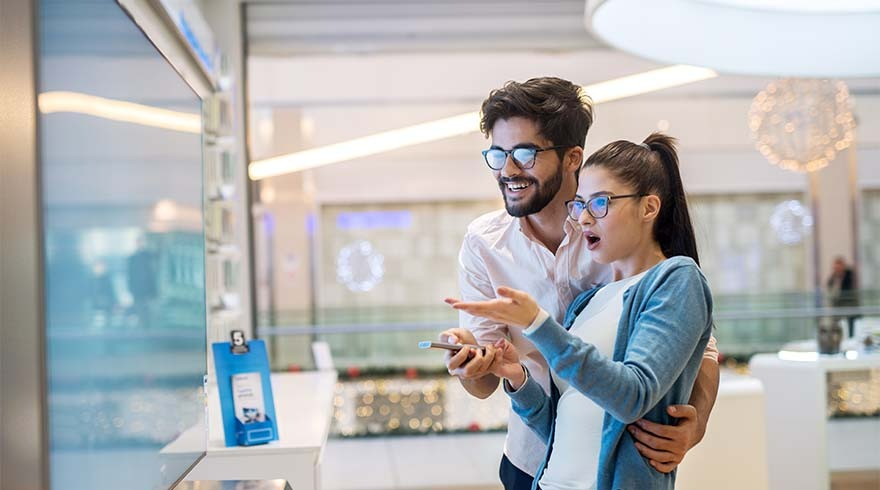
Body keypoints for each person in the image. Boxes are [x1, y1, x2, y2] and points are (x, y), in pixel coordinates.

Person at [441, 78, 719, 490]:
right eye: (498, 155)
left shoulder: (623, 239)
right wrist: (472, 363)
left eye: (524, 153)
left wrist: (696, 423)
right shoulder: (484, 243)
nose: (508, 170)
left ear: (572, 157)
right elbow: (485, 385)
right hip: (534, 458)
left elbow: (697, 347)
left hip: (615, 461)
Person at [827, 256, 858, 337]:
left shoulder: (849, 276)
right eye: (835, 267)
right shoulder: (833, 277)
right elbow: (830, 289)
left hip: (849, 306)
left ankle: (851, 339)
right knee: (836, 326)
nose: (837, 269)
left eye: (839, 267)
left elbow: (849, 290)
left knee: (851, 327)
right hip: (837, 306)